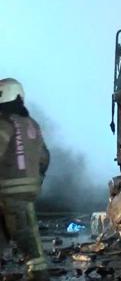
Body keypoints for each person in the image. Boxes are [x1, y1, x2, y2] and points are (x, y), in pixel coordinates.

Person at [0, 78, 50, 281]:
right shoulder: (32, 124)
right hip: (28, 190)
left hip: (5, 189)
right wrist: (36, 179)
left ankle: (38, 275)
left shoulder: (4, 123)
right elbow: (44, 158)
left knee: (22, 233)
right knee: (22, 230)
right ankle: (38, 272)